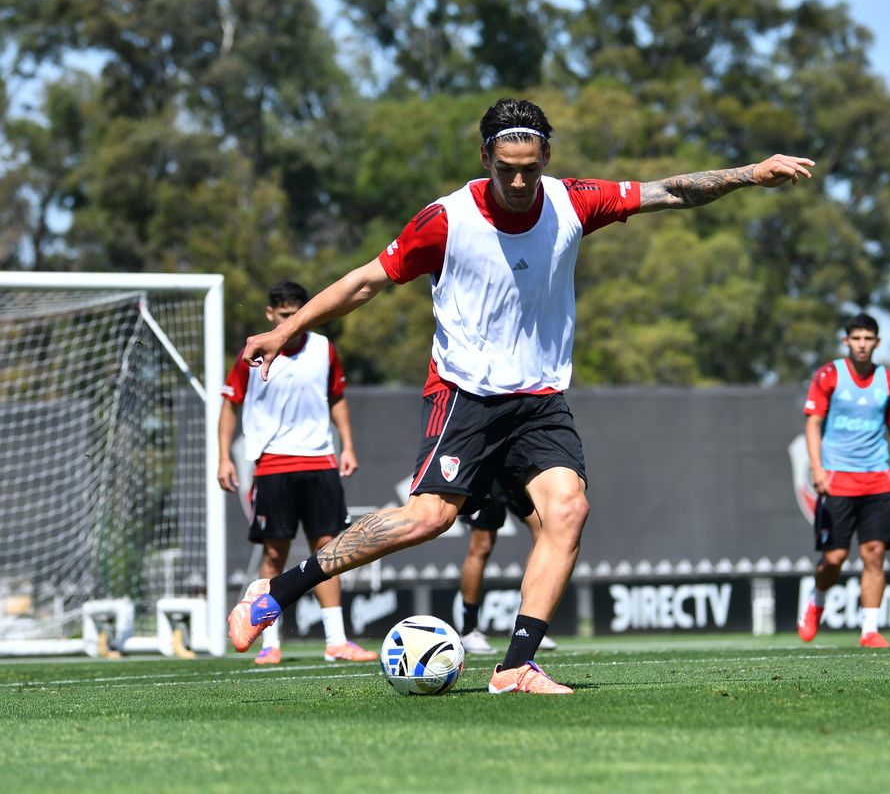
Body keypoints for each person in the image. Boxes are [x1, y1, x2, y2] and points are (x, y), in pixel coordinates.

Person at [228, 97, 814, 694]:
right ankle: (276, 591)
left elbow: (670, 191)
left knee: (568, 511)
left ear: (547, 157)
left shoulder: (573, 202)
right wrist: (285, 331)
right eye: (505, 168)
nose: (517, 181)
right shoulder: (446, 219)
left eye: (529, 169)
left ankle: (515, 667)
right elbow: (365, 281)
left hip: (540, 399)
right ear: (485, 157)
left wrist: (751, 173)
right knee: (428, 519)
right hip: (466, 393)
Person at [217, 280, 376, 665]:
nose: (291, 321)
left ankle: (336, 641)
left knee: (330, 550)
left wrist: (348, 445)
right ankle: (270, 643)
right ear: (270, 314)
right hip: (273, 463)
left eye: (297, 314)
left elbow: (337, 398)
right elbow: (230, 405)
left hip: (320, 460)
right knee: (274, 552)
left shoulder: (323, 349)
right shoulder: (252, 354)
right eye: (284, 314)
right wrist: (224, 457)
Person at [796, 313, 890, 648]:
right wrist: (817, 468)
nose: (862, 345)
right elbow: (813, 423)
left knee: (874, 553)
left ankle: (869, 630)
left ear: (877, 343)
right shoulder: (829, 376)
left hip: (877, 479)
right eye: (856, 338)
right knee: (834, 558)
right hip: (838, 479)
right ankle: (817, 601)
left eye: (868, 339)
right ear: (846, 341)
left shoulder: (888, 381)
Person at [458, 479, 557, 655]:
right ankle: (468, 630)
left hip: (515, 470)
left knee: (544, 532)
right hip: (488, 473)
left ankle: (527, 621)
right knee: (482, 545)